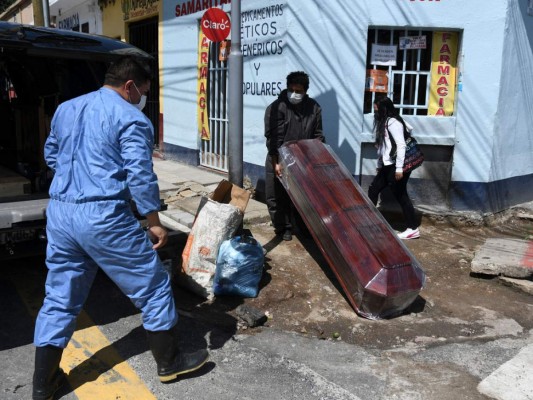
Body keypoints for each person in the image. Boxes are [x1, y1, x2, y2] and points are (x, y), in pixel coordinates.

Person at [32, 56, 208, 400]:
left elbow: (51, 154)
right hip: (103, 215)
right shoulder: (132, 118)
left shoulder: (66, 108)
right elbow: (141, 175)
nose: (143, 96)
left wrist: (77, 178)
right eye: (143, 90)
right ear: (130, 86)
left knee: (60, 296)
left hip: (62, 212)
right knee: (153, 285)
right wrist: (153, 222)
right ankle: (170, 363)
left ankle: (42, 384)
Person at [264, 71, 324, 241]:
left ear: (305, 91)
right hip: (278, 159)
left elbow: (318, 135)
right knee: (277, 196)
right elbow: (273, 138)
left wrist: (315, 158)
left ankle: (303, 228)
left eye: (299, 91)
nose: (294, 94)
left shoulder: (314, 108)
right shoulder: (276, 107)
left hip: (303, 159)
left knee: (303, 197)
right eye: (291, 89)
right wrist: (276, 162)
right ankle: (283, 228)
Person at [368, 96, 420, 240]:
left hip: (396, 166)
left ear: (384, 109)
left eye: (377, 109)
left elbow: (401, 144)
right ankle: (370, 220)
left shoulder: (393, 122)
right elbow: (383, 147)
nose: (375, 112)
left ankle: (413, 228)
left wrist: (399, 169)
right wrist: (380, 165)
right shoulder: (384, 122)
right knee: (373, 189)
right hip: (387, 165)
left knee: (401, 195)